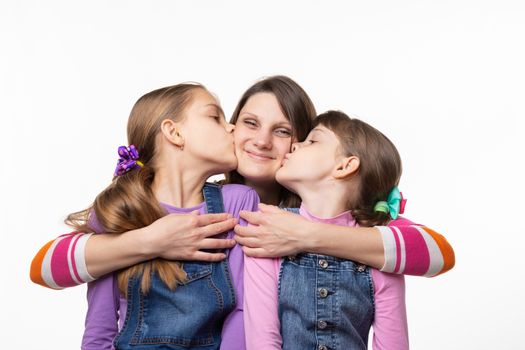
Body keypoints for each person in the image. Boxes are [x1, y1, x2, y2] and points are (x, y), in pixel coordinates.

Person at [30, 76, 454, 289]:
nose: (262, 141)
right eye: (249, 122)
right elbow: (46, 266)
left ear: (302, 144)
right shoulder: (191, 205)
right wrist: (151, 242)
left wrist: (307, 235)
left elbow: (436, 255)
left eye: (284, 131)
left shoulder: (331, 211)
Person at [69, 83, 259, 349]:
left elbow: (243, 312)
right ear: (174, 132)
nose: (232, 128)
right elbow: (99, 331)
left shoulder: (237, 201)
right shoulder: (118, 212)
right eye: (215, 117)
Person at [244, 111, 410, 349]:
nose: (295, 145)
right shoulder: (268, 228)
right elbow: (262, 341)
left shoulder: (379, 250)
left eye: (312, 141)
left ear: (344, 166)